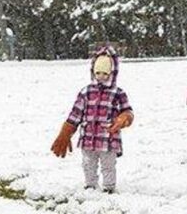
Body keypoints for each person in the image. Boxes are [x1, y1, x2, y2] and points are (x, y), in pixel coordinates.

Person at [50, 46, 134, 193]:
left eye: (105, 73)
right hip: (88, 137)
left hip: (108, 138)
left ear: (112, 73)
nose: (101, 76)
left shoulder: (118, 93)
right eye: (98, 73)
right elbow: (75, 114)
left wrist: (124, 118)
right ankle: (90, 185)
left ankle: (109, 187)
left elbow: (127, 111)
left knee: (108, 165)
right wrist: (66, 131)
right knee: (88, 163)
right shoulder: (86, 92)